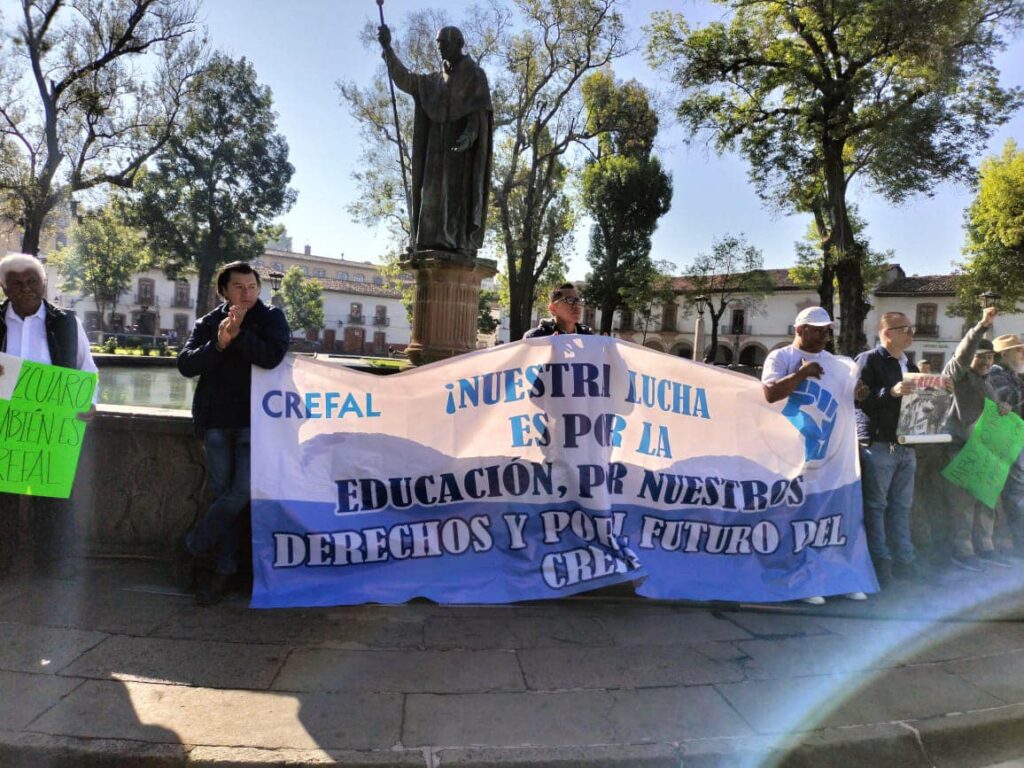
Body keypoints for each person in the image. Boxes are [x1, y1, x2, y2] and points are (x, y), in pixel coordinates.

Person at [176, 262, 290, 605]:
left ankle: (193, 545)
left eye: (252, 286)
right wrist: (220, 343)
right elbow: (186, 365)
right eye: (239, 287)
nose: (247, 293)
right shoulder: (208, 323)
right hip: (215, 424)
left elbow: (273, 357)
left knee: (238, 495)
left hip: (257, 424)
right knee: (225, 495)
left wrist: (239, 336)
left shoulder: (271, 318)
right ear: (223, 291)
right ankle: (225, 570)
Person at [0, 252, 97, 577]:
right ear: (4, 287)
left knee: (53, 498)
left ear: (44, 284)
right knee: (3, 498)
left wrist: (89, 402)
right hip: (6, 426)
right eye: (16, 283)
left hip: (52, 427)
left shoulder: (67, 322)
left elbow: (87, 368)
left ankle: (52, 562)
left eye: (32, 281)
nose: (25, 288)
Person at [761, 306, 866, 604]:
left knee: (828, 516)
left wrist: (858, 395)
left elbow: (846, 401)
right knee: (795, 518)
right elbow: (769, 394)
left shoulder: (836, 364)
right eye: (817, 329)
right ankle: (798, 578)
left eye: (827, 330)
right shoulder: (781, 357)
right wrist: (802, 373)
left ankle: (836, 577)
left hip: (827, 453)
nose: (824, 335)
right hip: (788, 452)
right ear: (799, 330)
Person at [378, 24, 492, 257]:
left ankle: (458, 242)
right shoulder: (433, 81)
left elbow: (478, 116)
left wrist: (468, 138)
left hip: (461, 153)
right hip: (434, 151)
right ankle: (428, 240)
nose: (439, 48)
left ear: (458, 43)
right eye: (438, 44)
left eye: (444, 43)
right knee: (430, 196)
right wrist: (388, 49)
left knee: (457, 199)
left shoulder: (475, 75)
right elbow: (406, 80)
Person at [940, 307, 1013, 572]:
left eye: (990, 357)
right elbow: (962, 355)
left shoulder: (988, 382)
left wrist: (1004, 408)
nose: (985, 362)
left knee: (985, 502)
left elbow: (993, 414)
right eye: (980, 357)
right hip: (961, 450)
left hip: (985, 452)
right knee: (963, 505)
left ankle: (985, 547)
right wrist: (982, 325)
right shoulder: (958, 375)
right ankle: (963, 552)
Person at [854, 312, 921, 586]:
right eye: (906, 329)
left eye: (911, 328)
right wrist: (890, 392)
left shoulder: (911, 365)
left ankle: (904, 560)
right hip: (880, 444)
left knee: (901, 507)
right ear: (887, 333)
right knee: (877, 506)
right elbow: (858, 400)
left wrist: (942, 391)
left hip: (905, 445)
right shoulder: (868, 359)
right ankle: (881, 564)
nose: (911, 333)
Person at [988, 333, 1024, 556]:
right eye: (1019, 350)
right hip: (1006, 441)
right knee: (1015, 494)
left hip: (1015, 438)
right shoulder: (995, 374)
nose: (1023, 354)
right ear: (1004, 354)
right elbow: (1009, 398)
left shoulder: (1013, 374)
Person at [523, 283, 593, 338]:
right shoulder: (535, 338)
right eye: (570, 300)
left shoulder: (588, 337)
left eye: (577, 300)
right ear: (553, 308)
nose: (576, 305)